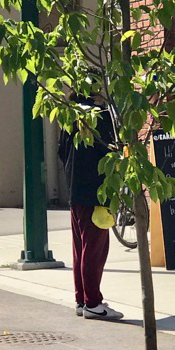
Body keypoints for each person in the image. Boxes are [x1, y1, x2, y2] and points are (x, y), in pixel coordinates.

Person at [58, 98, 123, 320]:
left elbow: (61, 151)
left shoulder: (69, 115)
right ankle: (93, 303)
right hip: (97, 191)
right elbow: (110, 150)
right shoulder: (100, 115)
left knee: (80, 249)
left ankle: (82, 299)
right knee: (94, 249)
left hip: (75, 190)